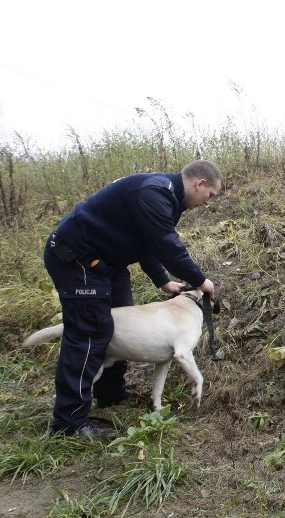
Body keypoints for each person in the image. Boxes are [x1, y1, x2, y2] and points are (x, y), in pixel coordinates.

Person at [42, 160, 222, 437]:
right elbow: (166, 244)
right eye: (210, 195)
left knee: (119, 325)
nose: (208, 203)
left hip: (108, 265)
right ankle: (68, 421)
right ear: (199, 184)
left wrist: (162, 281)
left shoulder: (168, 198)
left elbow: (148, 242)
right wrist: (200, 280)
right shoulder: (154, 192)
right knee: (89, 333)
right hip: (76, 259)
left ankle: (111, 393)